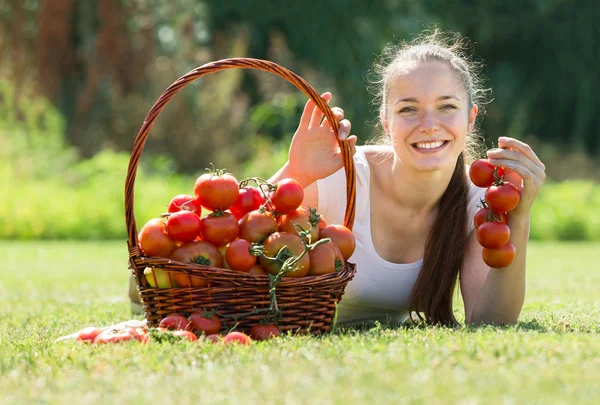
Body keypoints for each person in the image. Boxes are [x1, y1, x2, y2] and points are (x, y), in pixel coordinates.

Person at [268, 30, 546, 326]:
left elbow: (488, 321)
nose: (428, 125)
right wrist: (296, 172)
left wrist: (518, 218)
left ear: (470, 118)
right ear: (387, 123)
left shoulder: (478, 201)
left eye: (446, 107)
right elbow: (234, 235)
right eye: (408, 109)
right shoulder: (342, 175)